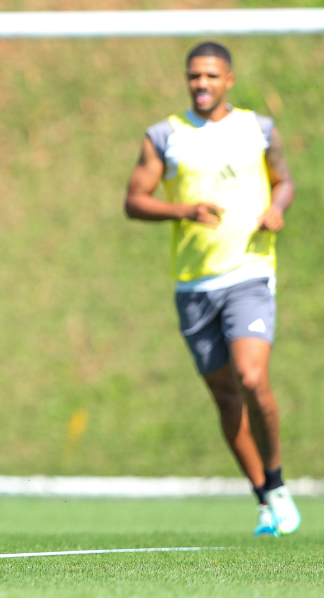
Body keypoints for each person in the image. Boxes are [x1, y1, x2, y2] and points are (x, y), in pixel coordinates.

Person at [124, 42, 299, 536]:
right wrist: (184, 210)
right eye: (194, 77)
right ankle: (264, 496)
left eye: (211, 76)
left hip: (249, 273)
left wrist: (278, 207)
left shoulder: (258, 129)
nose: (202, 84)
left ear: (229, 79)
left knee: (250, 378)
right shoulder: (164, 136)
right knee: (225, 396)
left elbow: (283, 180)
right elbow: (134, 200)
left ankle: (279, 480)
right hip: (194, 285)